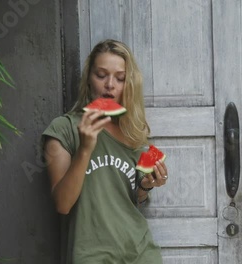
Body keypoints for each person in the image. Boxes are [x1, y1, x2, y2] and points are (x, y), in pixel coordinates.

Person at [42, 39, 167, 263]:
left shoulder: (134, 134)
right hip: (91, 256)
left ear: (129, 85)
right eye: (101, 75)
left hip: (141, 253)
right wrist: (85, 149)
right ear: (89, 80)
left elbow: (133, 197)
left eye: (120, 78)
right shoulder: (63, 129)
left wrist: (147, 185)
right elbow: (62, 204)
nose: (110, 84)